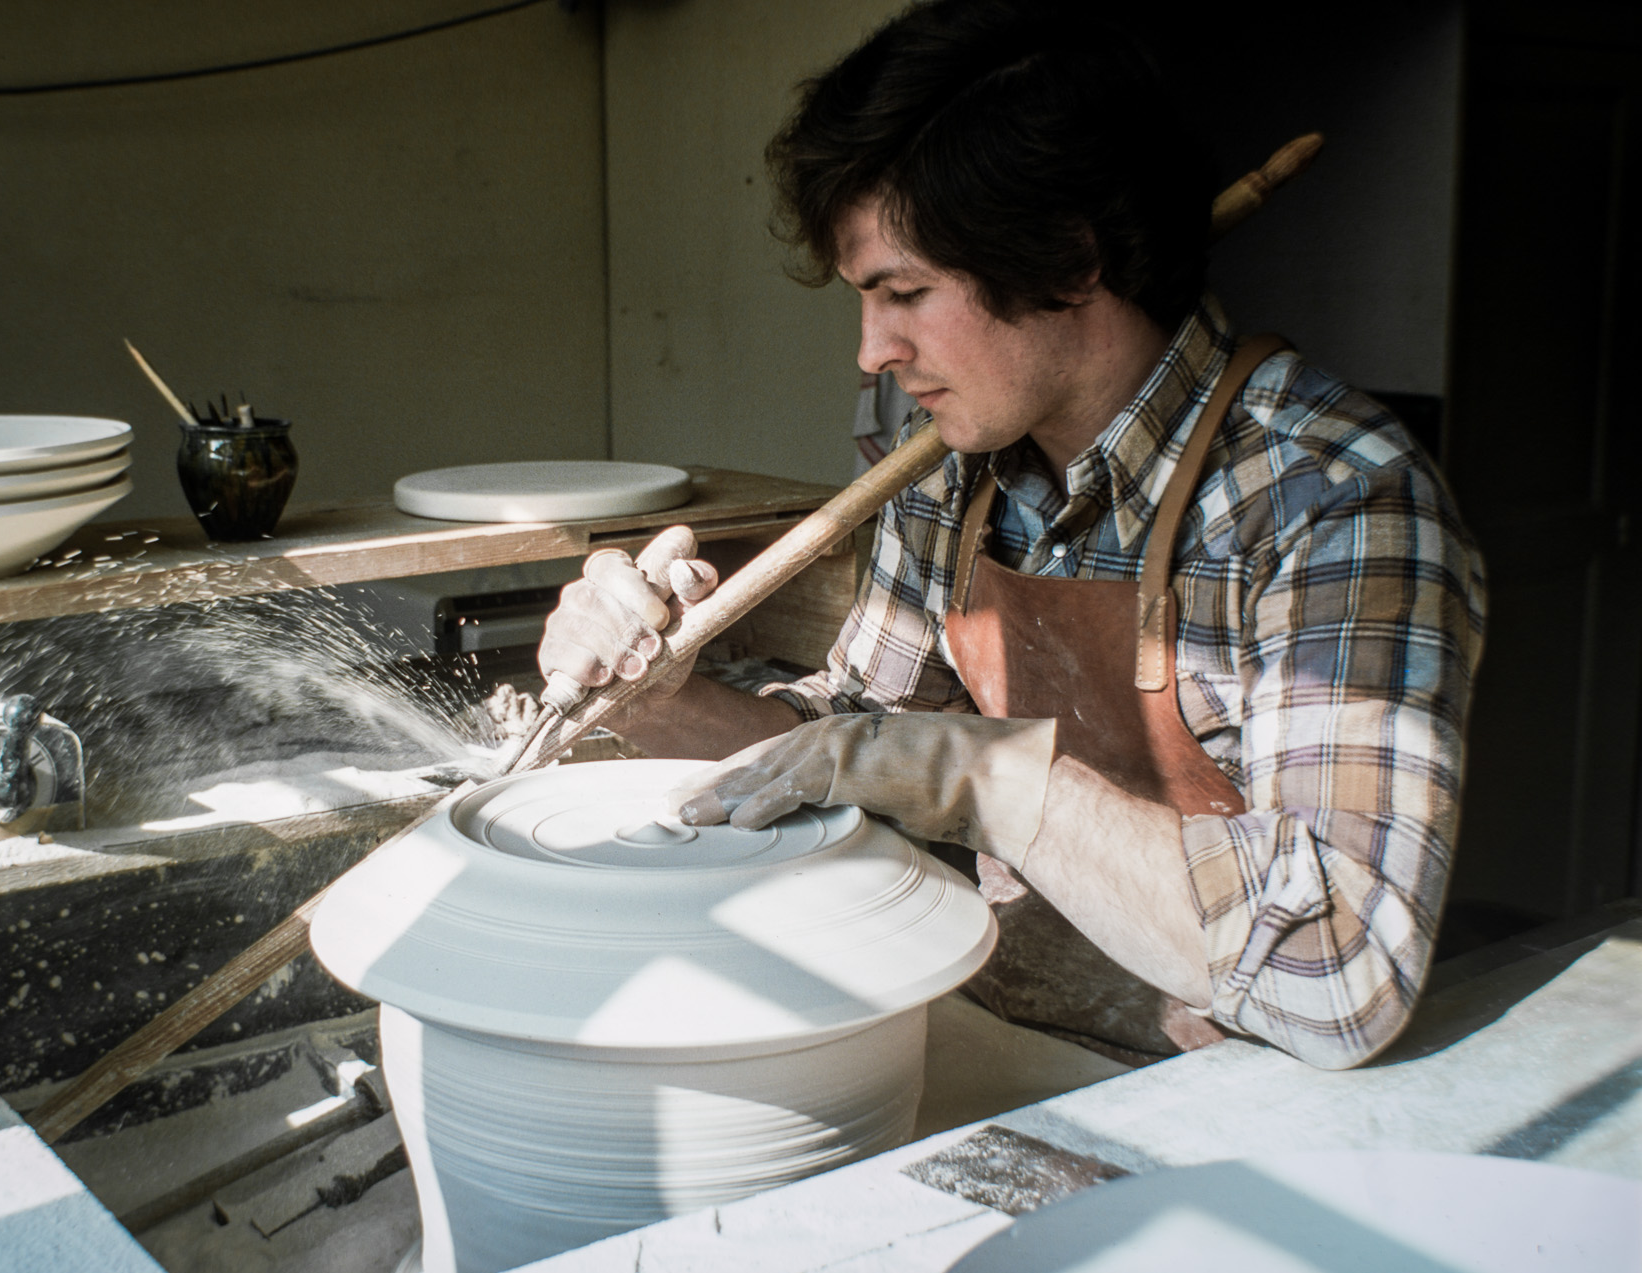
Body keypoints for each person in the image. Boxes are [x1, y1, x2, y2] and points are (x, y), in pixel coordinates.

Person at [535, 0, 1485, 1070]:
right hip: (990, 1033)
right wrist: (661, 700)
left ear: (1068, 259)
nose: (870, 352)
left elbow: (1342, 977)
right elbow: (839, 749)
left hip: (1223, 1101)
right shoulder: (950, 468)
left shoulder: (1327, 500)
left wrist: (985, 777)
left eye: (905, 294)